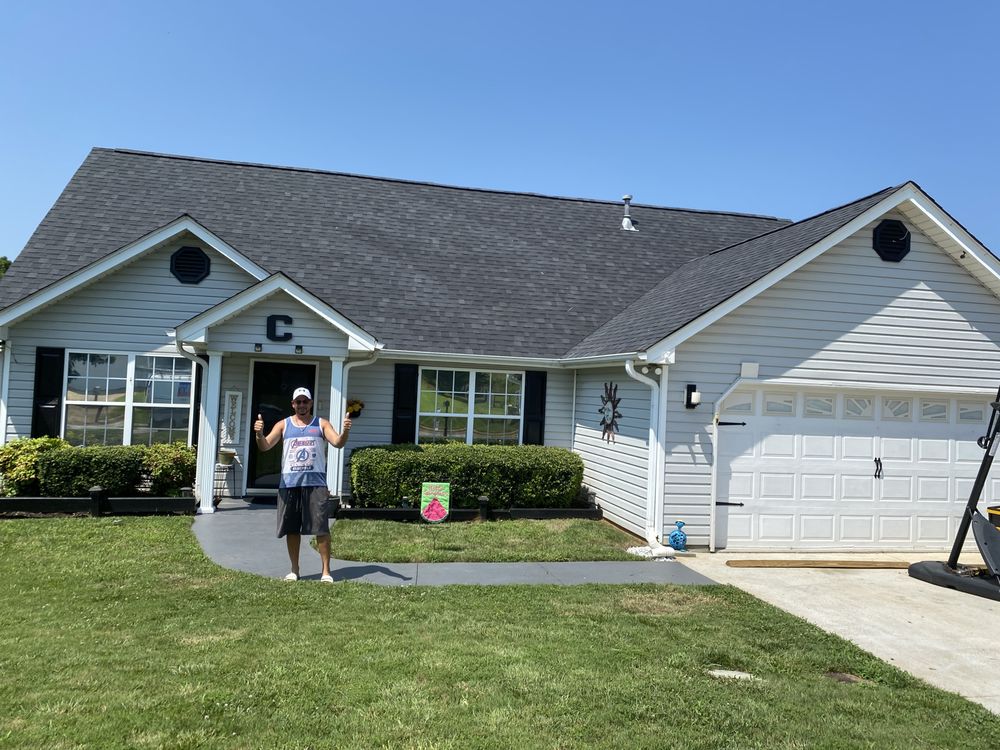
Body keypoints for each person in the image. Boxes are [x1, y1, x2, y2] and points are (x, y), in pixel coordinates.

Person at [253, 387, 352, 583]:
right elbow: (265, 446)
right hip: (289, 485)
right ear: (292, 405)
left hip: (316, 485)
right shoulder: (283, 425)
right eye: (298, 402)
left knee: (321, 528)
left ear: (311, 403)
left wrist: (346, 431)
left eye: (305, 401)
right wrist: (259, 434)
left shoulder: (321, 424)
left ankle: (325, 571)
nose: (301, 405)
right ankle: (294, 570)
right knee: (292, 528)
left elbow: (338, 442)